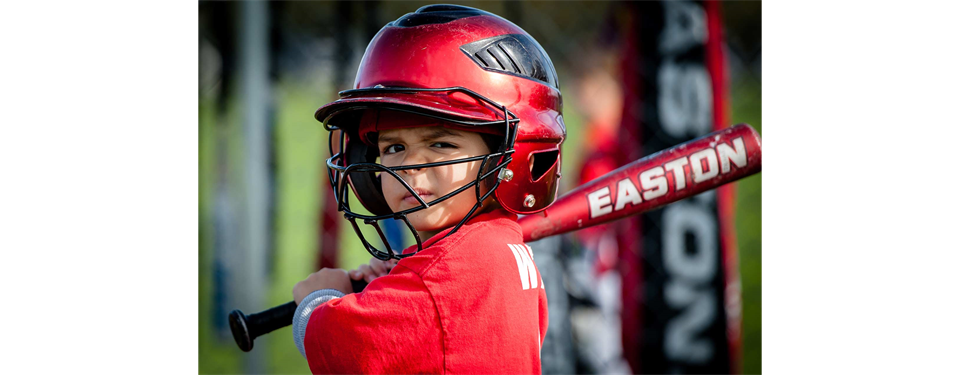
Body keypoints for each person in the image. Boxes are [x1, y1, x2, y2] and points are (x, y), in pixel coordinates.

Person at [291, 4, 565, 373]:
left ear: (508, 156)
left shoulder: (448, 273)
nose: (411, 167)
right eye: (393, 148)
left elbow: (344, 349)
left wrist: (318, 300)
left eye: (441, 144)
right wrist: (399, 282)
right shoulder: (498, 249)